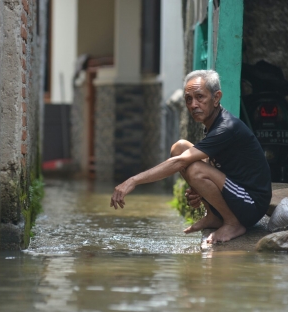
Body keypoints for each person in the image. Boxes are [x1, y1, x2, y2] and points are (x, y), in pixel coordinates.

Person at [110, 70, 272, 244]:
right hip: (236, 190)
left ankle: (233, 223)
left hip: (252, 202)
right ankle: (213, 216)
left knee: (194, 169)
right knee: (180, 147)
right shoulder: (212, 124)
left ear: (216, 98)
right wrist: (200, 190)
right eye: (189, 99)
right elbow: (213, 162)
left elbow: (182, 163)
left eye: (200, 97)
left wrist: (133, 180)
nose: (194, 104)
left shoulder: (226, 127)